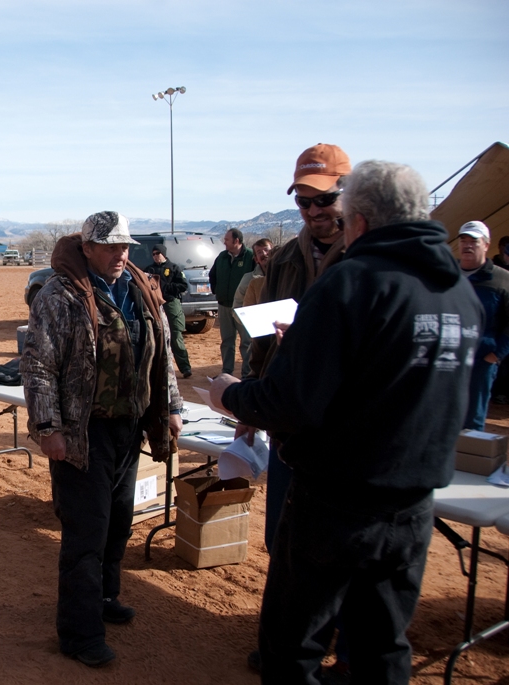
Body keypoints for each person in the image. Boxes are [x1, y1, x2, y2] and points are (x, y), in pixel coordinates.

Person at [210, 160, 482, 684]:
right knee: (381, 645)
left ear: (356, 220)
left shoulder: (352, 282)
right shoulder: (457, 291)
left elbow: (294, 403)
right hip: (413, 504)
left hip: (337, 501)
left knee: (292, 647)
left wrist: (231, 396)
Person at [21, 211, 183, 668]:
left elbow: (163, 352)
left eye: (125, 246)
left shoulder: (139, 287)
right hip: (83, 432)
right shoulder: (60, 295)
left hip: (129, 426)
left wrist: (171, 406)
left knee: (118, 522)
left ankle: (106, 598)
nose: (120, 254)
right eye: (110, 246)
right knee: (86, 531)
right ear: (87, 248)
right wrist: (48, 428)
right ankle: (79, 632)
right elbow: (38, 365)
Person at [238, 144, 352, 679]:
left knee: (345, 547)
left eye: (323, 200)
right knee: (283, 539)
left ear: (348, 195)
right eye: (304, 203)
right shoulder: (284, 260)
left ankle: (346, 654)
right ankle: (289, 642)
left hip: (345, 429)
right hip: (289, 424)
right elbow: (263, 342)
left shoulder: (368, 258)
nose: (313, 212)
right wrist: (252, 402)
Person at [457, 220, 509, 429]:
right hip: (448, 359)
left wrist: (495, 356)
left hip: (481, 362)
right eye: (463, 240)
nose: (467, 245)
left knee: (472, 423)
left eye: (474, 241)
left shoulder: (502, 279)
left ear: (486, 245)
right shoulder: (447, 274)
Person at [209, 228, 255, 376]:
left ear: (236, 241)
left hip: (244, 307)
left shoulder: (250, 257)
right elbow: (212, 275)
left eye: (227, 240)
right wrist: (217, 291)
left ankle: (247, 374)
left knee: (246, 342)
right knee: (227, 341)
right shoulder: (222, 257)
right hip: (224, 305)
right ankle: (227, 372)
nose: (224, 242)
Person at [144, 246, 193, 378]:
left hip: (171, 303)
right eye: (153, 254)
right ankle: (159, 371)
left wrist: (166, 287)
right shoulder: (149, 270)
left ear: (164, 254)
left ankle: (185, 368)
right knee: (157, 336)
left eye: (158, 253)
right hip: (155, 305)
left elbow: (183, 285)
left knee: (176, 336)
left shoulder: (173, 268)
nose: (156, 256)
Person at [233, 238, 272, 309]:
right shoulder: (248, 279)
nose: (264, 254)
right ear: (256, 259)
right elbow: (237, 305)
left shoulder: (284, 276)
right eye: (259, 252)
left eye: (266, 250)